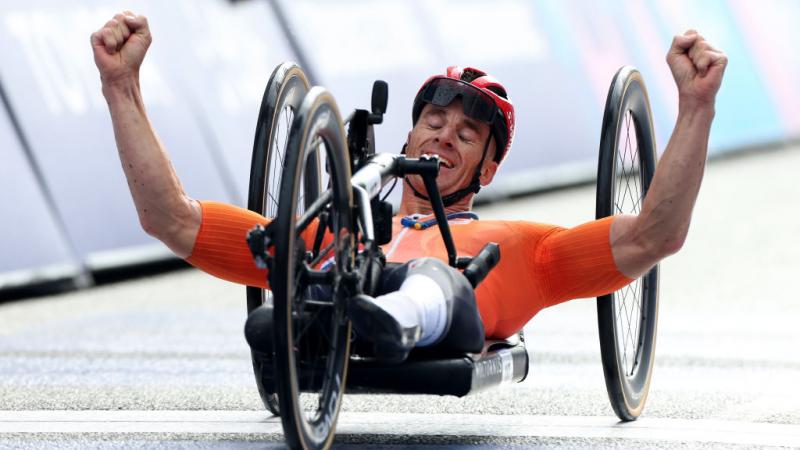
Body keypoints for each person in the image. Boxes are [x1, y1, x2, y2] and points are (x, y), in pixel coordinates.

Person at [92, 12, 727, 362]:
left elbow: (654, 234)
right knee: (311, 253)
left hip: (448, 300)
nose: (445, 137)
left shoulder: (523, 246)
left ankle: (385, 320)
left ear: (488, 169)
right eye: (434, 121)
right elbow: (170, 220)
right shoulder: (335, 228)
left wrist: (695, 106)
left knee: (434, 280)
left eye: (468, 135)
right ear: (409, 135)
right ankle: (315, 316)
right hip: (354, 271)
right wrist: (122, 87)